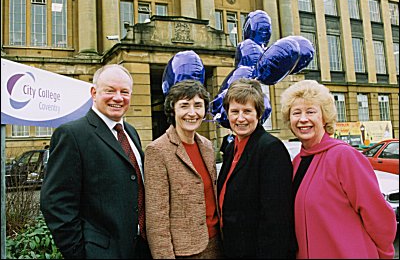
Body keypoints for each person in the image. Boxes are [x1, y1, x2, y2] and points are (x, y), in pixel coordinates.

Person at [40, 64, 151, 259]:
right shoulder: (72, 135)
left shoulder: (131, 133)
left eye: (124, 92)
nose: (118, 97)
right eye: (110, 91)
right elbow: (56, 204)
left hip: (140, 248)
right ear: (94, 92)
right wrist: (78, 254)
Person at [280, 79, 397, 259]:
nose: (303, 119)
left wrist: (383, 254)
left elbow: (378, 216)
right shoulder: (297, 162)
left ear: (324, 117)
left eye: (310, 111)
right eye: (296, 113)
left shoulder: (343, 156)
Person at [217, 78, 296, 258]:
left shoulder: (270, 149)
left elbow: (276, 219)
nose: (240, 118)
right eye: (234, 111)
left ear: (258, 114)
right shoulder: (231, 148)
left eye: (247, 111)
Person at [144, 79, 223, 259]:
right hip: (184, 252)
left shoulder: (207, 146)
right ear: (173, 109)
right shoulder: (157, 150)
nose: (192, 113)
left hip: (216, 245)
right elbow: (157, 218)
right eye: (184, 106)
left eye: (198, 105)